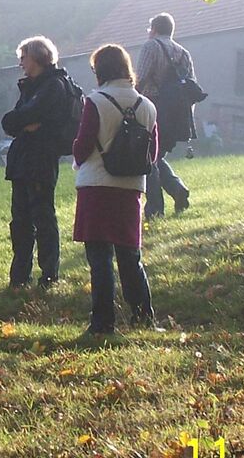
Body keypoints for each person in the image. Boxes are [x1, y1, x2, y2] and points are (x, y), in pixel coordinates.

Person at [72, 44, 159, 335]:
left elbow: (83, 145)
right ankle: (143, 317)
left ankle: (103, 322)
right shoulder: (147, 106)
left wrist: (78, 159)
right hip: (131, 188)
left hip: (97, 186)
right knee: (130, 256)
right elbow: (153, 152)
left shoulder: (95, 101)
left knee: (99, 258)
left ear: (100, 70)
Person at [1, 36, 78, 290]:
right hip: (23, 160)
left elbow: (23, 118)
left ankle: (49, 273)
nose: (21, 63)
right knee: (20, 220)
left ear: (37, 57)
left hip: (40, 159)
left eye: (23, 58)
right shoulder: (32, 87)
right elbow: (11, 122)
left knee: (43, 217)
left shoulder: (53, 86)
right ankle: (20, 275)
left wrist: (24, 121)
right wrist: (25, 123)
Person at [135, 12, 195, 217]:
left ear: (154, 29)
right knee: (157, 156)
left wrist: (131, 103)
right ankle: (177, 189)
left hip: (153, 107)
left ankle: (155, 208)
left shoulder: (151, 46)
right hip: (176, 114)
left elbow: (140, 78)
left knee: (148, 158)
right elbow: (190, 87)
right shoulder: (184, 53)